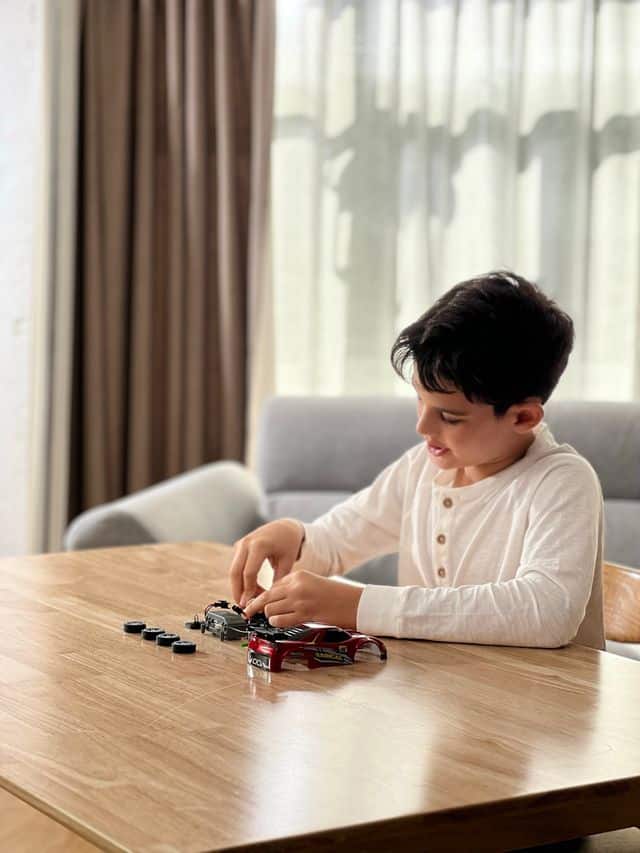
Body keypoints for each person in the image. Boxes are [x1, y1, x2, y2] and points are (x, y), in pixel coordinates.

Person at [231, 271, 604, 649]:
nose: (422, 426)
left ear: (523, 417)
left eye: (450, 417)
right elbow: (337, 540)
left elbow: (547, 612)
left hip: (542, 688)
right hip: (435, 684)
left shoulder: (562, 481)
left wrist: (358, 605)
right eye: (420, 400)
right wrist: (296, 538)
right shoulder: (422, 468)